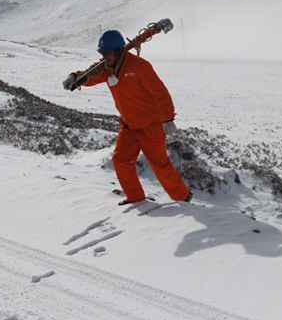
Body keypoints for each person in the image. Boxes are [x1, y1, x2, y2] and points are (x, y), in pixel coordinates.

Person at [62, 30, 191, 205]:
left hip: (150, 126)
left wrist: (168, 119)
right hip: (129, 126)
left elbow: (160, 93)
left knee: (160, 166)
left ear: (119, 51)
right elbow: (90, 76)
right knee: (121, 161)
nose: (105, 57)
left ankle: (183, 198)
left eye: (108, 53)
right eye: (103, 54)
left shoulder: (140, 67)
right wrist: (75, 77)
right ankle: (135, 197)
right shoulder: (106, 69)